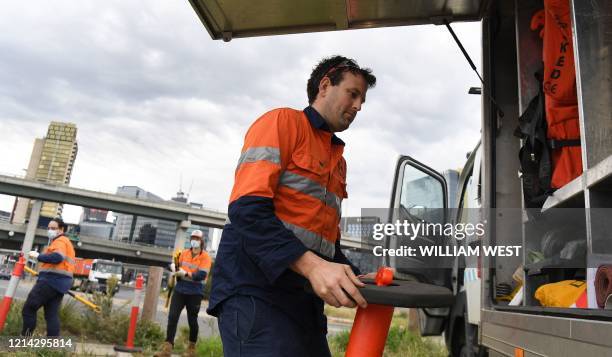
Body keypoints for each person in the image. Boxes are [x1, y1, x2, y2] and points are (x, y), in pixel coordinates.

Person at [208, 55, 377, 356]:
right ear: (325, 85)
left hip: (303, 303)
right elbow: (247, 210)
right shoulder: (282, 123)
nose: (359, 106)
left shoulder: (338, 162)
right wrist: (314, 267)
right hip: (255, 293)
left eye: (362, 100)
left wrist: (362, 279)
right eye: (353, 93)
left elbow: (324, 245)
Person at [155, 229, 212, 357]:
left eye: (197, 239)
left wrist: (186, 273)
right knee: (172, 317)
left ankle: (191, 349)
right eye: (193, 238)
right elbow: (174, 266)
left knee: (192, 320)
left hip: (195, 292)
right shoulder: (184, 253)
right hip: (180, 290)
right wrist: (172, 267)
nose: (194, 241)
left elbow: (201, 275)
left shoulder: (205, 257)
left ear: (201, 241)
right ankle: (167, 349)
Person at [22, 217, 75, 336]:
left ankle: (24, 340)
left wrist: (38, 256)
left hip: (50, 281)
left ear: (61, 229)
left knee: (29, 308)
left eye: (53, 228)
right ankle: (52, 346)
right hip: (60, 284)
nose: (50, 230)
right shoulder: (66, 242)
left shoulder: (60, 241)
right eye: (49, 228)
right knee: (51, 314)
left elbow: (58, 257)